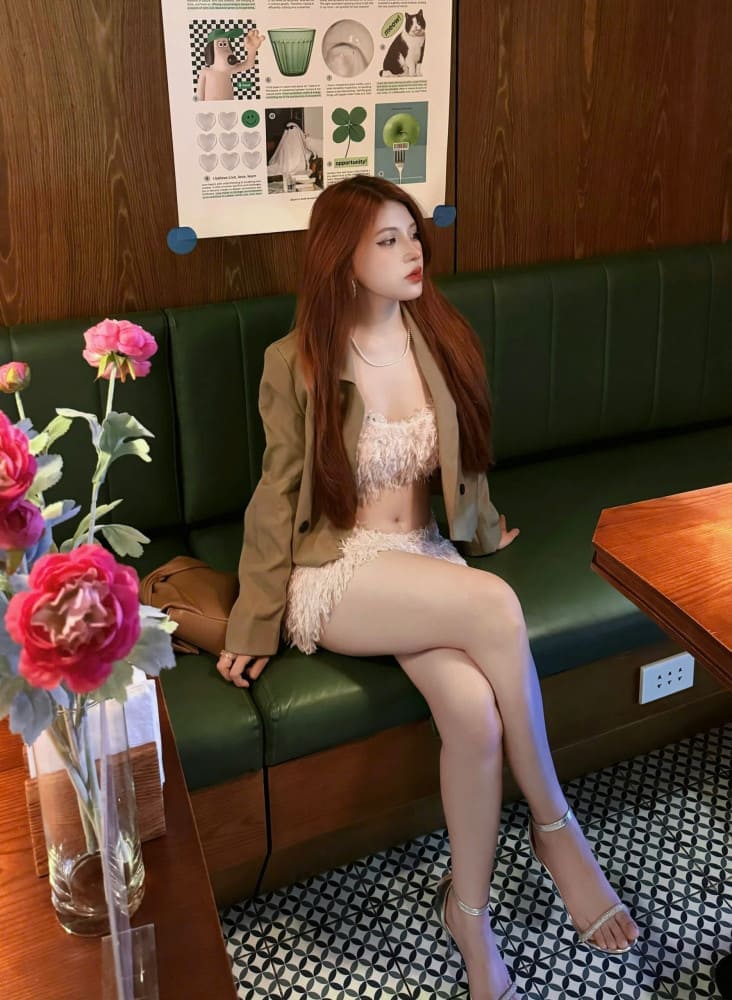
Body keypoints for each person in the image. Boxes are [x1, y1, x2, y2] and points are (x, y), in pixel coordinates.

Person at [217, 176, 639, 1000]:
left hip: (424, 556)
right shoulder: (294, 360)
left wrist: (482, 530)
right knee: (497, 603)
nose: (412, 251)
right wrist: (252, 620)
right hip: (339, 569)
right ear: (339, 257)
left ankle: (469, 919)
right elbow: (275, 493)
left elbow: (464, 457)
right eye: (387, 240)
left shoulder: (435, 336)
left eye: (412, 234)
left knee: (474, 715)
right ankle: (555, 826)